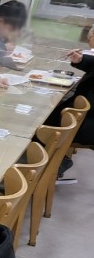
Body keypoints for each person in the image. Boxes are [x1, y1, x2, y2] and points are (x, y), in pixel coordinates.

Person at [44, 30, 94, 185]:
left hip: (89, 121)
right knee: (49, 114)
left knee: (42, 123)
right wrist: (81, 59)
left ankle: (50, 167)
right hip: (84, 112)